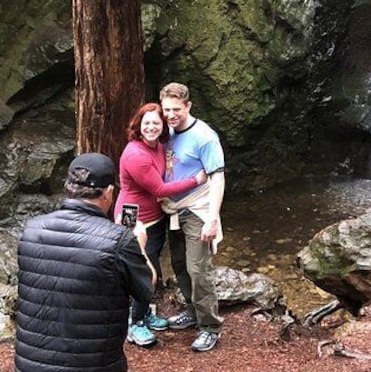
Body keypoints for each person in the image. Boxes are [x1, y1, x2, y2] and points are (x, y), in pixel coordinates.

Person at [14, 153, 156, 372]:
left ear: (68, 188)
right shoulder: (119, 240)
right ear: (109, 193)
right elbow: (147, 288)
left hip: (30, 365)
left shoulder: (31, 229)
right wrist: (139, 245)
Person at [114, 103, 209, 347]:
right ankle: (133, 324)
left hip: (154, 218)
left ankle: (143, 313)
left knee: (152, 266)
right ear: (138, 125)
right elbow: (158, 188)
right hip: (132, 217)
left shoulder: (159, 146)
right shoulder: (135, 154)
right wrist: (195, 181)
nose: (151, 127)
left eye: (156, 123)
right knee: (143, 272)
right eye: (146, 123)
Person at [159, 82, 226, 352]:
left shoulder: (204, 136)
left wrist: (212, 218)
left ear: (188, 106)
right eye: (167, 109)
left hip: (197, 209)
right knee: (178, 263)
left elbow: (217, 177)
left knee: (199, 269)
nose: (171, 114)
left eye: (176, 109)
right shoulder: (168, 131)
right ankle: (191, 310)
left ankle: (210, 327)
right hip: (173, 209)